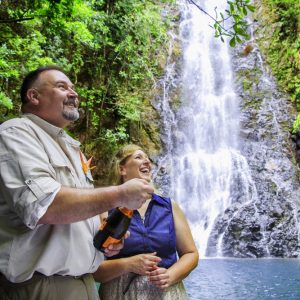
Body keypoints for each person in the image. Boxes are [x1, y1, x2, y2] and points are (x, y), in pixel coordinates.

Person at [0, 66, 154, 300]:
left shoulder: (71, 147)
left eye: (73, 88)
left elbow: (80, 211)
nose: (73, 93)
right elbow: (44, 205)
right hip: (41, 286)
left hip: (85, 283)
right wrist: (120, 194)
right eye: (62, 87)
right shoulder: (16, 134)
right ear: (34, 96)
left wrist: (105, 235)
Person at [94, 144, 199, 300]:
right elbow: (93, 270)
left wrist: (170, 275)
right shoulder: (105, 209)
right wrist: (128, 264)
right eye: (138, 157)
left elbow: (191, 254)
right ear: (122, 169)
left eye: (148, 159)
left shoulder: (170, 207)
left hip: (168, 294)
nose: (147, 162)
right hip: (118, 294)